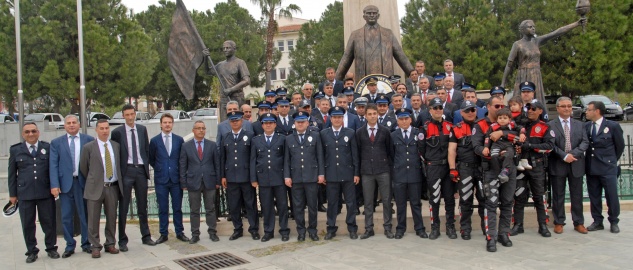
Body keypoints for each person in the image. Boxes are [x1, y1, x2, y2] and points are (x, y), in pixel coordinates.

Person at [501, 18, 586, 105]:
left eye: (534, 26)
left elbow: (556, 32)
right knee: (521, 101)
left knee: (537, 102)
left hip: (536, 75)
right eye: (530, 27)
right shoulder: (517, 44)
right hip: (524, 75)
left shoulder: (536, 41)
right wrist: (503, 83)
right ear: (523, 30)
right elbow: (509, 64)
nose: (533, 28)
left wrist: (576, 24)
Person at [9, 122, 59, 263]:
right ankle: (31, 251)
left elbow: (53, 168)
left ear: (38, 132)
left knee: (48, 222)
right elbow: (12, 174)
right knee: (28, 224)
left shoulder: (47, 148)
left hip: (45, 192)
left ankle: (51, 248)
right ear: (23, 134)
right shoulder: (16, 150)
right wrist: (13, 195)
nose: (31, 134)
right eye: (27, 132)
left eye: (33, 131)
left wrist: (55, 186)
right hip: (25, 193)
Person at [472, 96, 515, 252]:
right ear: (488, 107)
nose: (499, 108)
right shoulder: (480, 125)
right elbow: (476, 146)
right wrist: (489, 152)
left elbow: (520, 139)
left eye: (502, 106)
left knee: (507, 202)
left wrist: (503, 134)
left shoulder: (510, 123)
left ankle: (504, 233)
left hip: (509, 169)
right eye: (496, 106)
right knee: (491, 204)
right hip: (490, 169)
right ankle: (491, 237)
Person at [110, 104, 156, 250]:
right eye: (127, 114)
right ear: (123, 116)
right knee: (123, 207)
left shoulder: (142, 130)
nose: (130, 117)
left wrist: (146, 166)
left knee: (143, 205)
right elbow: (115, 154)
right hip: (127, 172)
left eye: (132, 114)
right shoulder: (117, 132)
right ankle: (122, 240)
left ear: (135, 114)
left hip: (141, 171)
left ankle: (146, 236)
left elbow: (146, 149)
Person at [50, 115, 94, 257]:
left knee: (84, 215)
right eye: (68, 123)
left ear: (79, 124)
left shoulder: (88, 140)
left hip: (82, 183)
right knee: (66, 216)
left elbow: (93, 163)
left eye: (74, 122)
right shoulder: (56, 143)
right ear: (64, 125)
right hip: (65, 185)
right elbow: (53, 165)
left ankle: (86, 243)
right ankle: (70, 245)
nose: (71, 125)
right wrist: (55, 184)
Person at [80, 120, 123, 258]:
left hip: (112, 188)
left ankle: (110, 244)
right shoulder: (88, 147)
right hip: (95, 188)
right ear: (96, 130)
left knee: (111, 217)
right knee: (93, 219)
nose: (105, 131)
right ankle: (95, 246)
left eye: (106, 128)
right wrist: (95, 180)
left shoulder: (115, 146)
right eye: (102, 128)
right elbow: (84, 168)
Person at [510, 100, 553, 237]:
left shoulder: (545, 127)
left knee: (539, 197)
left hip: (536, 166)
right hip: (520, 167)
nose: (530, 111)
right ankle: (518, 225)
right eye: (528, 108)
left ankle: (543, 225)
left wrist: (531, 146)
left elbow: (549, 146)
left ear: (540, 111)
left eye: (534, 108)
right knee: (519, 196)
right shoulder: (520, 126)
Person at [335, 5, 413, 81]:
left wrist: (411, 72)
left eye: (374, 13)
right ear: (364, 16)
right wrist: (336, 80)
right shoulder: (355, 35)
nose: (372, 15)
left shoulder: (388, 34)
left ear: (378, 16)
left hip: (385, 80)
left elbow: (401, 56)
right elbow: (346, 58)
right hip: (363, 82)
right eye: (369, 13)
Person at [548, 97, 589, 234]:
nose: (566, 108)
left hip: (576, 163)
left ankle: (578, 222)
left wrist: (572, 154)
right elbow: (551, 144)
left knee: (576, 195)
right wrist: (564, 155)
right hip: (558, 163)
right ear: (558, 108)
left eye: (569, 106)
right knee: (558, 195)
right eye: (563, 106)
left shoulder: (580, 124)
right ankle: (559, 222)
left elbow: (585, 142)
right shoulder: (551, 125)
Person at [284, 111, 325, 242]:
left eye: (303, 121)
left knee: (313, 205)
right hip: (296, 178)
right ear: (294, 124)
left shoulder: (315, 135)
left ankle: (313, 231)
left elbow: (320, 156)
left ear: (307, 123)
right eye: (298, 122)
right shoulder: (288, 139)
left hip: (311, 177)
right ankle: (301, 231)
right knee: (297, 207)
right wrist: (287, 176)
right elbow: (287, 160)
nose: (300, 124)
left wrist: (321, 174)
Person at [419, 97, 456, 240]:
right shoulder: (425, 128)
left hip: (447, 167)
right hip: (433, 167)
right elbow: (421, 150)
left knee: (449, 199)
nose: (438, 110)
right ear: (430, 110)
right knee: (434, 199)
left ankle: (450, 226)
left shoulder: (449, 126)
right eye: (435, 108)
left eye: (440, 107)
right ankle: (435, 227)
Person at [585, 100, 624, 234]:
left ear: (597, 111)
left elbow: (620, 146)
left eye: (589, 110)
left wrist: (611, 161)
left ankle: (614, 221)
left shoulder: (612, 126)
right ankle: (597, 221)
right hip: (592, 167)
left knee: (611, 196)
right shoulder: (587, 126)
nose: (586, 112)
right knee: (594, 196)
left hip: (607, 168)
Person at [149, 113, 189, 244]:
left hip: (176, 180)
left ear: (172, 124)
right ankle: (163, 233)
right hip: (161, 180)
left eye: (169, 122)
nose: (167, 125)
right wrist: (161, 169)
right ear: (161, 124)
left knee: (177, 207)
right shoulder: (154, 141)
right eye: (165, 122)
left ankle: (179, 232)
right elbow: (152, 159)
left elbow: (182, 159)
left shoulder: (179, 140)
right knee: (163, 208)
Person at [448, 101, 486, 240]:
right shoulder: (456, 128)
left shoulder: (483, 126)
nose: (471, 113)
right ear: (462, 113)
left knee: (484, 199)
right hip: (465, 169)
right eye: (467, 110)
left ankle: (486, 227)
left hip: (482, 168)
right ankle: (465, 229)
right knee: (465, 200)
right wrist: (452, 168)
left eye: (473, 110)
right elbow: (451, 150)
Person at [219, 111, 260, 241]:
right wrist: (223, 176)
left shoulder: (250, 135)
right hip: (231, 177)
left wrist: (253, 177)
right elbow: (222, 158)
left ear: (242, 121)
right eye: (232, 120)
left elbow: (253, 158)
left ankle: (254, 229)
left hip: (246, 176)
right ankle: (237, 229)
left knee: (250, 204)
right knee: (234, 205)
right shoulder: (225, 137)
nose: (235, 122)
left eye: (237, 120)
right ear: (229, 122)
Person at [321, 107, 360, 240]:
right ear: (331, 119)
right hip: (331, 174)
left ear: (342, 119)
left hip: (348, 173)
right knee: (332, 203)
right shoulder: (324, 134)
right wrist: (323, 173)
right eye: (335, 117)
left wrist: (356, 173)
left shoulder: (350, 133)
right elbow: (322, 156)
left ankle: (352, 228)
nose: (337, 119)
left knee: (350, 203)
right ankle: (331, 228)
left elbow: (355, 154)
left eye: (339, 117)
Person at [356, 104, 394, 239]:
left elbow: (390, 151)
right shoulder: (359, 132)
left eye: (374, 114)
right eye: (370, 114)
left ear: (378, 115)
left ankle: (388, 227)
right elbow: (358, 153)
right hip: (367, 172)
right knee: (368, 201)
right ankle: (368, 228)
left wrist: (389, 168)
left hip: (383, 170)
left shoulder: (385, 131)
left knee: (386, 199)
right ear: (365, 116)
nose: (372, 116)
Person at [250, 113, 290, 242]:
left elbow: (286, 159)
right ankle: (268, 231)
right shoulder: (256, 140)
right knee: (266, 206)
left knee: (282, 206)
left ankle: (284, 230)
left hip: (279, 177)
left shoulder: (282, 138)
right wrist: (253, 178)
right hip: (263, 178)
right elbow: (253, 160)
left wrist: (286, 176)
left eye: (271, 123)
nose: (268, 125)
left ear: (275, 124)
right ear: (262, 125)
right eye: (266, 123)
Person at [180, 121, 221, 243]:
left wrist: (218, 180)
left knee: (210, 209)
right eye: (198, 128)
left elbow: (217, 164)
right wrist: (183, 183)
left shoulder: (212, 145)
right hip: (193, 181)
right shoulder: (186, 146)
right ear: (193, 130)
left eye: (203, 128)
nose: (201, 130)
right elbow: (183, 165)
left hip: (210, 181)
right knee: (194, 210)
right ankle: (195, 234)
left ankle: (212, 232)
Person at [391, 108, 426, 239]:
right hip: (399, 174)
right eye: (401, 119)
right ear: (397, 121)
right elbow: (391, 155)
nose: (404, 121)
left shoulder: (418, 133)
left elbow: (422, 151)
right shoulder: (393, 135)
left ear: (410, 120)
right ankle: (400, 228)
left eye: (406, 118)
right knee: (400, 204)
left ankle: (420, 228)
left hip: (414, 173)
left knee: (416, 203)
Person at [204, 40, 250, 119]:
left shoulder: (240, 63)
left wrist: (231, 89)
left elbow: (247, 80)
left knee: (237, 120)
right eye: (224, 48)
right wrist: (205, 58)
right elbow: (207, 71)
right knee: (224, 123)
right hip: (224, 98)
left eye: (228, 48)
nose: (225, 50)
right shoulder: (220, 65)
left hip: (237, 97)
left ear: (234, 49)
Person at [482, 108, 525, 182]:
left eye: (505, 118)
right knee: (494, 155)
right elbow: (487, 137)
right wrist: (486, 147)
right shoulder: (493, 126)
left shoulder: (512, 125)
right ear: (497, 119)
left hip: (508, 144)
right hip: (497, 144)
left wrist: (521, 134)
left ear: (509, 119)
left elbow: (521, 128)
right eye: (500, 118)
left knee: (509, 155)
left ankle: (505, 171)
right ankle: (498, 172)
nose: (502, 120)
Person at [508, 96, 532, 170]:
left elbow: (524, 123)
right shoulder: (508, 115)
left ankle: (524, 160)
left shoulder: (524, 114)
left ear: (521, 105)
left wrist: (522, 132)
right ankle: (517, 162)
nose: (512, 107)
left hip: (522, 133)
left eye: (514, 105)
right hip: (512, 134)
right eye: (511, 105)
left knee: (525, 144)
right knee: (515, 146)